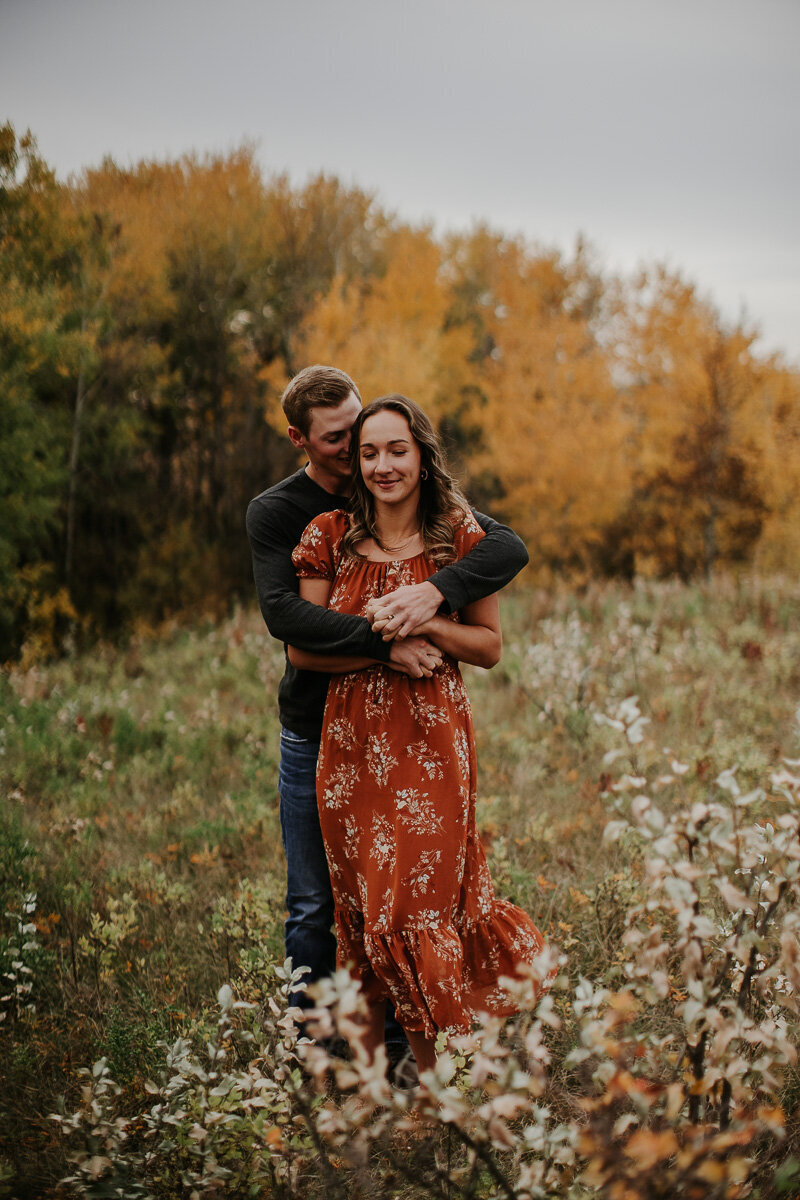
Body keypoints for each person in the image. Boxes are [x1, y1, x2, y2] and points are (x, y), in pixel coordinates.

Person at [245, 367, 530, 1044]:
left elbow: (505, 561)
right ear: (303, 441)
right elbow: (291, 628)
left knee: (418, 899)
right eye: (348, 443)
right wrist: (387, 647)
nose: (364, 459)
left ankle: (425, 1062)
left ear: (417, 451)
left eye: (382, 443)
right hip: (326, 734)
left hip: (425, 743)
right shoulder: (303, 522)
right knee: (328, 904)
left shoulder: (444, 524)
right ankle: (324, 1051)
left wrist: (429, 605)